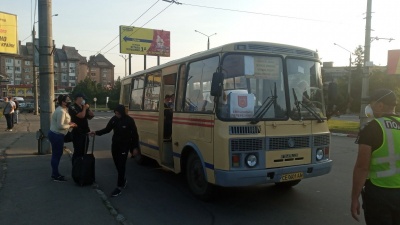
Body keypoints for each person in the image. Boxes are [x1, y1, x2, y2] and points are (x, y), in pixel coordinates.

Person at [351, 88, 400, 224]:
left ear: (380, 105)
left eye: (371, 104)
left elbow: (362, 168)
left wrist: (354, 198)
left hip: (379, 194)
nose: (369, 108)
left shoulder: (372, 128)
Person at [89, 104, 139, 197]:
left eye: (118, 113)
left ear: (122, 113)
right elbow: (107, 129)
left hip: (125, 146)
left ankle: (119, 187)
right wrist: (95, 132)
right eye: (115, 113)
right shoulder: (114, 119)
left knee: (121, 165)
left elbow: (135, 135)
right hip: (115, 145)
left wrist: (134, 148)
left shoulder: (129, 120)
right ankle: (123, 180)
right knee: (117, 164)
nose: (117, 115)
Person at [48, 95, 77, 182]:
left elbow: (62, 122)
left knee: (56, 154)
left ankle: (55, 174)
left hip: (55, 134)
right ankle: (55, 175)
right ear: (63, 102)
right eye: (67, 100)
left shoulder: (63, 109)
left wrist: (69, 123)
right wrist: (70, 125)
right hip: (57, 135)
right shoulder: (61, 111)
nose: (69, 101)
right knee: (56, 155)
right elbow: (60, 126)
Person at [68, 93, 94, 162]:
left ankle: (82, 166)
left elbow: (90, 116)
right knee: (78, 151)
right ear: (78, 98)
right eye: (82, 98)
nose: (83, 100)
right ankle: (76, 167)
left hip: (85, 132)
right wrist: (85, 108)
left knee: (84, 151)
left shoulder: (83, 107)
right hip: (77, 132)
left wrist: (88, 109)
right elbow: (81, 116)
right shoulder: (72, 107)